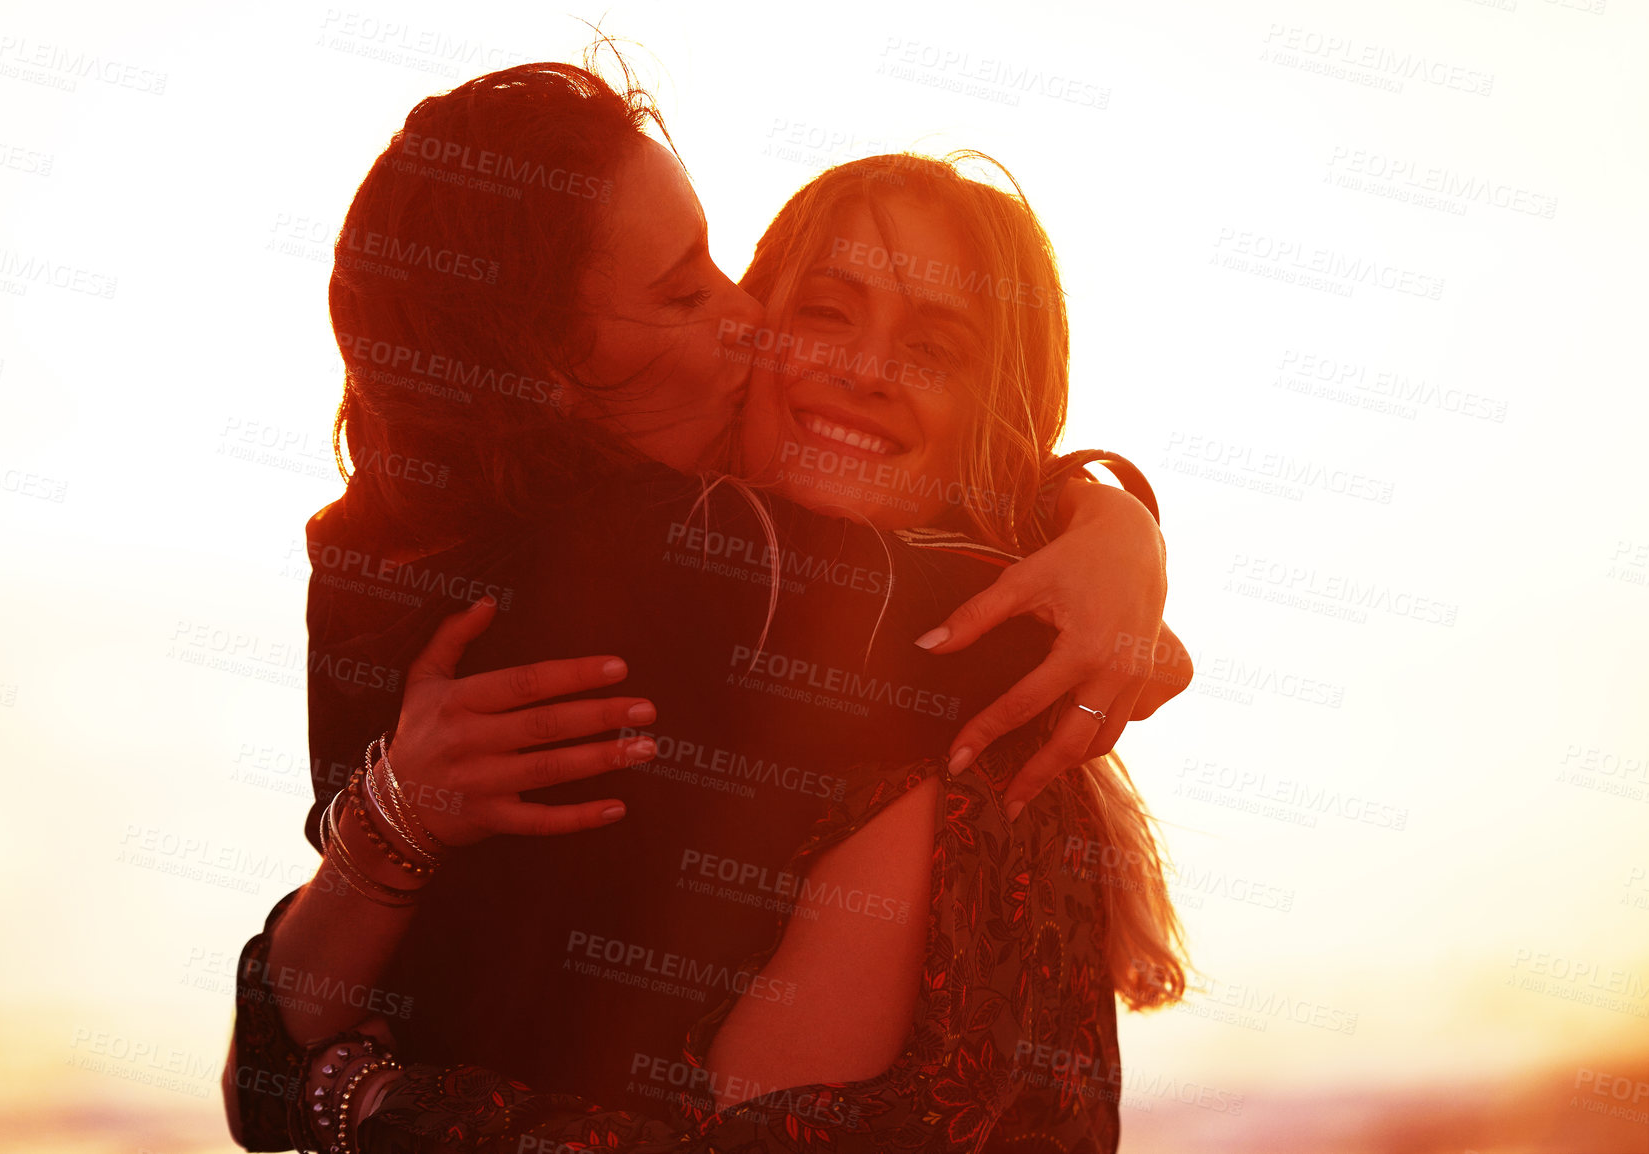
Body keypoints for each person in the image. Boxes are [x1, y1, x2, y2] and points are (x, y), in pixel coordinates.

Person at [223, 60, 1189, 1154]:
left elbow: (285, 1073)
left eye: (933, 347)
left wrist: (366, 1098)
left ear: (997, 418)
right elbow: (265, 1067)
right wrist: (385, 826)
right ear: (555, 371)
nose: (855, 365)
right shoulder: (608, 613)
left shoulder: (961, 763)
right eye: (818, 312)